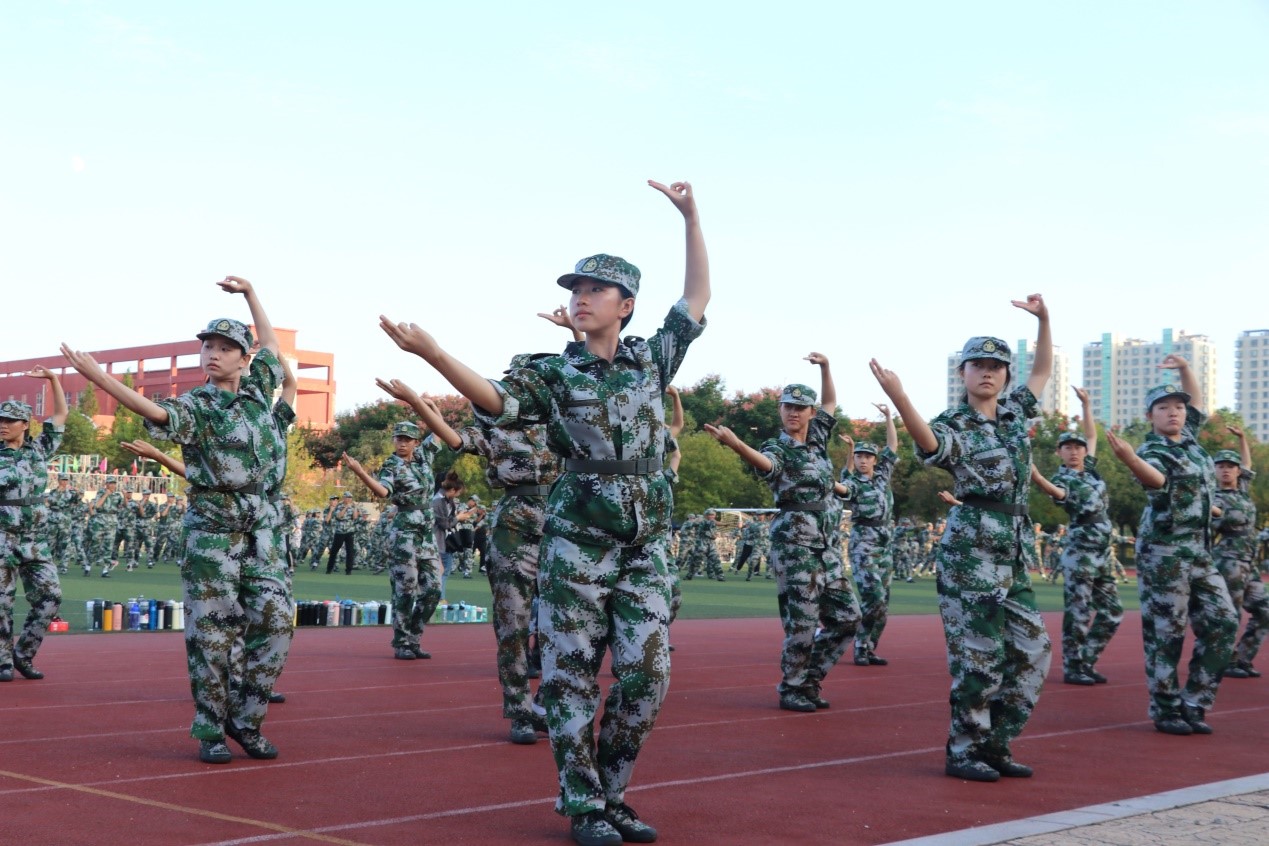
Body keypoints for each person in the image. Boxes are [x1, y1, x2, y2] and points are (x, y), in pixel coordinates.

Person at [380, 179, 707, 846]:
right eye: (575, 288)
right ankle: (584, 804)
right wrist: (434, 355)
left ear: (626, 305)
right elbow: (496, 400)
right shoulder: (552, 374)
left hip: (645, 544)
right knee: (569, 675)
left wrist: (690, 217)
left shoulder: (652, 360)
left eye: (596, 289)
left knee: (648, 676)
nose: (580, 297)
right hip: (577, 543)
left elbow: (696, 299)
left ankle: (612, 793)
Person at [63, 275, 294, 764]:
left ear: (244, 358)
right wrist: (100, 379)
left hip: (263, 531)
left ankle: (246, 720)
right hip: (213, 532)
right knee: (212, 634)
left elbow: (272, 346)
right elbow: (156, 412)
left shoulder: (259, 392)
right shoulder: (197, 405)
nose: (213, 354)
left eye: (226, 347)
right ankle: (211, 729)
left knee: (276, 622)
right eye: (208, 346)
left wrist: (251, 294)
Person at [871, 295, 1054, 783]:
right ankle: (965, 750)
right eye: (978, 365)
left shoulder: (1015, 414)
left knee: (1035, 651)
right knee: (979, 660)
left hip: (1013, 554)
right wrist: (900, 397)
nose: (987, 373)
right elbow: (930, 444)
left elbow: (1042, 370)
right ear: (963, 373)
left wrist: (1044, 320)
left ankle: (996, 743)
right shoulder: (955, 424)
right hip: (971, 555)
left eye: (996, 366)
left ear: (1006, 375)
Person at [397, 361, 560, 743]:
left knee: (565, 625)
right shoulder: (494, 430)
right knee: (512, 623)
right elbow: (453, 436)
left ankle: (548, 705)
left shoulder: (561, 424)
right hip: (515, 526)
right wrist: (417, 403)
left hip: (561, 523)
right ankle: (520, 712)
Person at [706, 355, 861, 713]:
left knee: (848, 618)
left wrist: (825, 368)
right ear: (780, 410)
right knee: (802, 624)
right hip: (795, 545)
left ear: (810, 413)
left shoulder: (817, 439)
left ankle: (809, 680)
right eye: (787, 406)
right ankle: (792, 688)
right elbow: (768, 465)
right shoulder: (777, 447)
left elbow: (830, 402)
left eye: (800, 408)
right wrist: (737, 445)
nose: (793, 412)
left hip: (826, 547)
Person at [1106, 358, 1238, 735]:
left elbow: (1196, 401)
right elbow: (1157, 481)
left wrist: (1184, 368)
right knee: (1167, 633)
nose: (1174, 412)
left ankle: (1194, 700)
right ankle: (1165, 709)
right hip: (1164, 553)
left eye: (1178, 406)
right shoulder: (1153, 451)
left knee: (1225, 621)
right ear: (1150, 416)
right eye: (1163, 407)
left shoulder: (1191, 440)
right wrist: (1130, 459)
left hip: (1199, 550)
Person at [342, 391, 445, 663]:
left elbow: (439, 429)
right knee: (405, 589)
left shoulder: (424, 456)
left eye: (407, 439)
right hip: (404, 533)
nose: (402, 443)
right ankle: (402, 642)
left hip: (425, 534)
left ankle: (414, 638)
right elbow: (383, 492)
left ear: (415, 442)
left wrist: (430, 407)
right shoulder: (391, 465)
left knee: (433, 590)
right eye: (398, 438)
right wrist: (360, 472)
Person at [1030, 386, 1123, 686]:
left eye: (1078, 447)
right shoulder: (1062, 479)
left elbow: (1092, 435)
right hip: (1081, 553)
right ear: (1059, 452)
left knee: (1112, 612)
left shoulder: (1091, 472)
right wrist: (1037, 476)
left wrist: (1086, 405)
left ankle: (1086, 661)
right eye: (1068, 447)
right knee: (1079, 613)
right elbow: (1058, 494)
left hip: (1103, 553)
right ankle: (1073, 667)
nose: (1074, 451)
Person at [0, 369, 69, 682]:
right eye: (0, 420)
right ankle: (2, 662)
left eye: (10, 420)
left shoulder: (40, 449)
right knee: (2, 602)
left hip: (35, 540)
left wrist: (53, 380)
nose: (3, 425)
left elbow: (61, 414)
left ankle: (23, 654)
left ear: (25, 424)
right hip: (2, 537)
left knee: (50, 597)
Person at [837, 402, 900, 668]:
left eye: (867, 457)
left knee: (883, 604)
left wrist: (888, 417)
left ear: (875, 460)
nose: (863, 460)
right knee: (873, 598)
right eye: (859, 456)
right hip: (863, 545)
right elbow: (842, 487)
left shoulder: (883, 476)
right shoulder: (853, 483)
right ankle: (860, 645)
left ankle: (870, 646)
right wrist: (827, 481)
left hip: (885, 546)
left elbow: (892, 445)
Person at [1210, 427, 1267, 680]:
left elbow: (1247, 464)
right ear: (1214, 471)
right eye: (1220, 466)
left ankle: (1243, 658)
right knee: (1230, 614)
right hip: (1229, 562)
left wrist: (1243, 437)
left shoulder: (1242, 490)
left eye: (1230, 466)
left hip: (1249, 564)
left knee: (1264, 611)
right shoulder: (1213, 498)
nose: (1226, 470)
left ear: (1237, 471)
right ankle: (1226, 661)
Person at [46, 475, 78, 575]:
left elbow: (76, 501)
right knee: (51, 544)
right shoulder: (53, 492)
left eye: (66, 480)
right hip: (53, 521)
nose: (64, 482)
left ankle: (64, 566)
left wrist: (76, 493)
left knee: (65, 544)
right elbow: (49, 502)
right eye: (62, 480)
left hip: (65, 521)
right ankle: (49, 566)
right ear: (58, 480)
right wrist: (58, 492)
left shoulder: (71, 493)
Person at [326, 492, 358, 575]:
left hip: (349, 531)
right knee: (334, 551)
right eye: (348, 497)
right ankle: (329, 569)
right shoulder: (339, 506)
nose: (349, 499)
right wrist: (346, 507)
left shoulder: (353, 506)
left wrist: (355, 507)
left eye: (350, 497)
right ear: (344, 498)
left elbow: (355, 517)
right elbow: (339, 516)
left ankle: (348, 570)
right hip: (340, 531)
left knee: (350, 551)